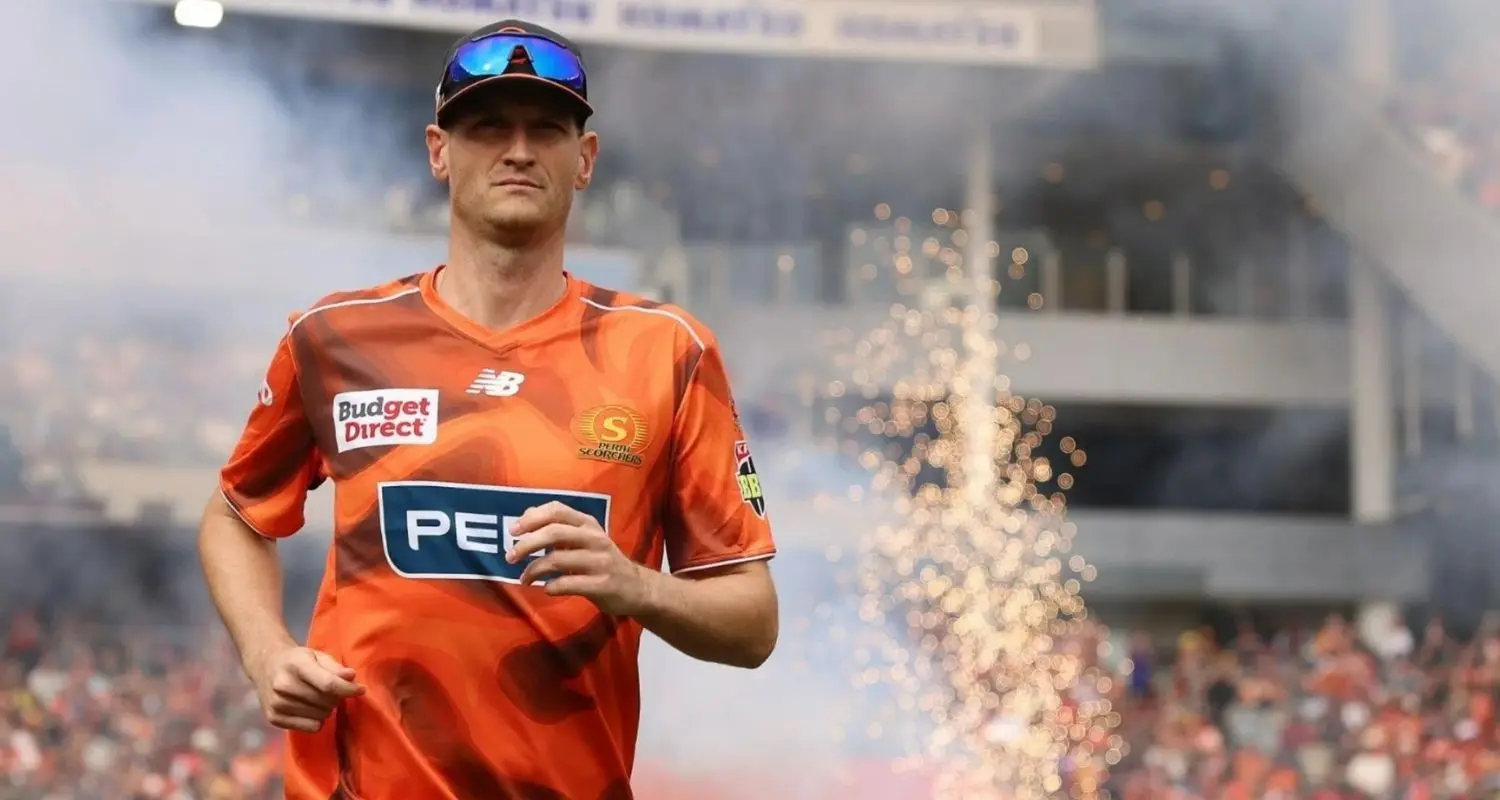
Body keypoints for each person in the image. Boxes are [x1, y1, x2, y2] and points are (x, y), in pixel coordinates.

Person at [197, 19, 780, 799]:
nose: (517, 151)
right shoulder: (333, 336)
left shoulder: (669, 351)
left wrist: (634, 585)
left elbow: (753, 623)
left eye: (546, 130)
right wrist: (266, 653)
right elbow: (234, 515)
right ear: (438, 151)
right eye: (487, 128)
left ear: (585, 159)